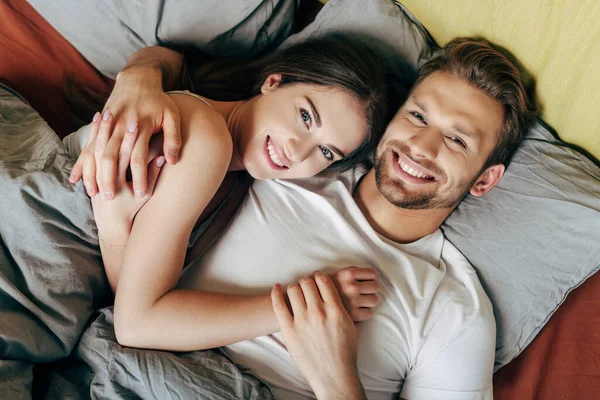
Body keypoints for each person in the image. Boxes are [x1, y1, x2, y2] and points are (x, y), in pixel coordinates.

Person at [83, 37, 536, 399]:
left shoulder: (454, 312)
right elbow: (192, 75)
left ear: (484, 179)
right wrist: (139, 76)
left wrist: (336, 378)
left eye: (457, 141)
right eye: (417, 115)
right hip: (124, 364)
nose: (421, 145)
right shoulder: (286, 162)